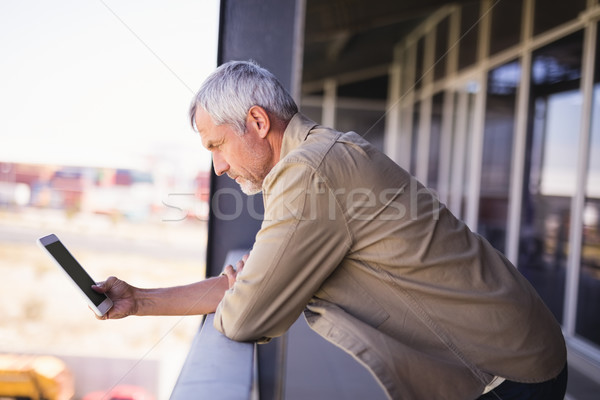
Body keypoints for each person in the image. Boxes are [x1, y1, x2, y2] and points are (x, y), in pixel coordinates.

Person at [94, 60, 567, 400]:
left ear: (257, 121)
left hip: (513, 374)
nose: (218, 167)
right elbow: (243, 291)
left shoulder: (310, 172)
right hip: (521, 348)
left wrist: (248, 293)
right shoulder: (320, 156)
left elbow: (245, 316)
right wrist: (140, 300)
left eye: (217, 145)